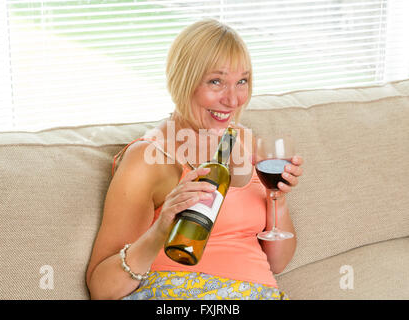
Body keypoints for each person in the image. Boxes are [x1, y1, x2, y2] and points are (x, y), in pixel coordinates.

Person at [85, 19, 303, 300]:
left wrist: (278, 198)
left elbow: (278, 263)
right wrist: (161, 228)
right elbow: (102, 289)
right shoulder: (147, 159)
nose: (233, 100)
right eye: (216, 81)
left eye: (242, 82)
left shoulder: (246, 142)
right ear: (183, 81)